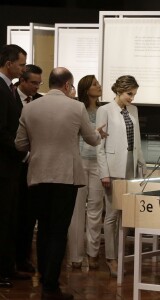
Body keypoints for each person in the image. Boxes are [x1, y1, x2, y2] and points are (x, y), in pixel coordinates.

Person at [15, 67, 106, 300]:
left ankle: (45, 279)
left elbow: (19, 145)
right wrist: (99, 134)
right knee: (58, 231)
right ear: (67, 85)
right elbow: (90, 139)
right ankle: (50, 286)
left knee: (43, 230)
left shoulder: (30, 107)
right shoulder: (76, 107)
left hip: (37, 176)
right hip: (66, 177)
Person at [96, 75, 146, 277]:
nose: (132, 98)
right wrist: (104, 173)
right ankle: (111, 258)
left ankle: (121, 255)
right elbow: (99, 145)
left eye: (134, 94)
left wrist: (142, 166)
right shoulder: (104, 110)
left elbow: (138, 142)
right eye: (129, 94)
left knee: (126, 215)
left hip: (131, 169)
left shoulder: (133, 110)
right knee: (111, 215)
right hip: (113, 169)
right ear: (119, 91)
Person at [68, 75, 104, 269]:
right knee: (76, 210)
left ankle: (93, 253)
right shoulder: (76, 108)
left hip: (98, 162)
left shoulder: (103, 110)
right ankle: (75, 256)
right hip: (79, 161)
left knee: (96, 209)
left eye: (98, 84)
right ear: (85, 88)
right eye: (95, 84)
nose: (99, 86)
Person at [0, 44, 28, 288]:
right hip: (3, 165)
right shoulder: (1, 88)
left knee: (10, 217)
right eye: (20, 64)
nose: (22, 68)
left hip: (10, 165)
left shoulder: (10, 88)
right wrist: (21, 148)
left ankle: (8, 266)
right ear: (9, 64)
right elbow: (1, 130)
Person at [15, 64, 43, 274]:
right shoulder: (9, 97)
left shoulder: (41, 101)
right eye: (33, 83)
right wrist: (24, 155)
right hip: (13, 165)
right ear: (22, 81)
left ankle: (23, 258)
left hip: (37, 167)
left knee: (29, 215)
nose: (36, 87)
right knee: (12, 215)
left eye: (39, 83)